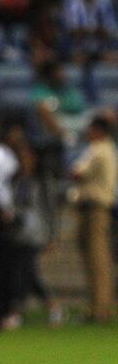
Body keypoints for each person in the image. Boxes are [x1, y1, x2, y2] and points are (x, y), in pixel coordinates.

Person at [69, 115, 117, 323]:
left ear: (98, 130)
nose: (88, 132)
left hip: (96, 209)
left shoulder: (100, 150)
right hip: (92, 208)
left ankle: (100, 309)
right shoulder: (105, 149)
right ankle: (98, 306)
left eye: (91, 129)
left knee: (98, 260)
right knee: (95, 260)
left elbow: (77, 173)